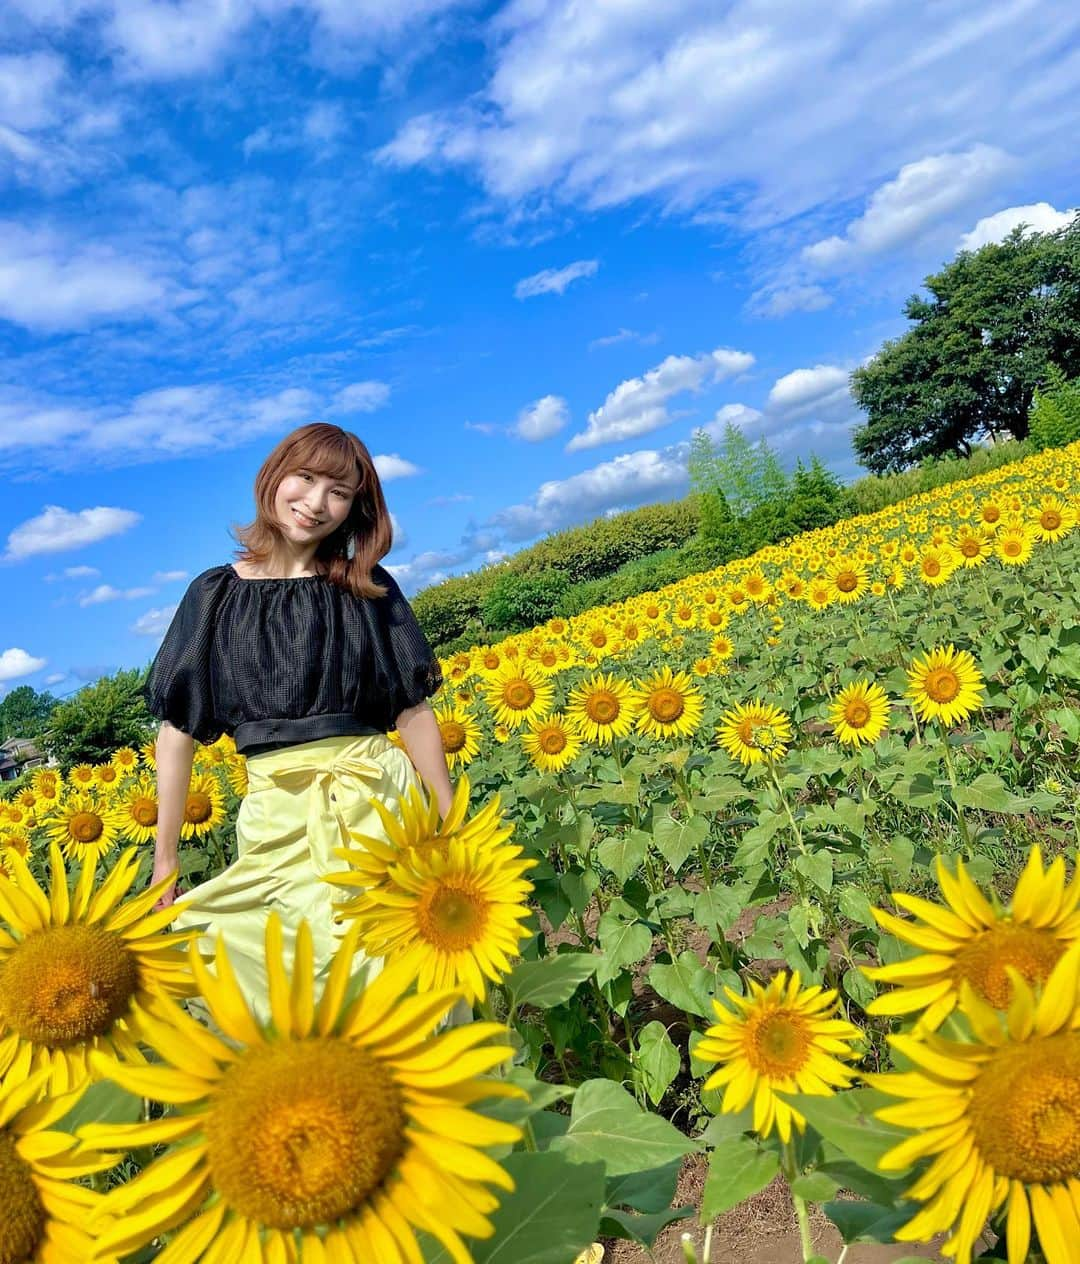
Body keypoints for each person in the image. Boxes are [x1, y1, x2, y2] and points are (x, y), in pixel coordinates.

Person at [144, 421, 451, 1022]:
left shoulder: (366, 587)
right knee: (244, 977)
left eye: (338, 492)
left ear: (355, 508)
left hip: (377, 801)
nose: (315, 503)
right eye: (305, 478)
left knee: (394, 980)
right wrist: (166, 860)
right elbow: (176, 734)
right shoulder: (215, 597)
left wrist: (447, 814)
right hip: (274, 815)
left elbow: (411, 711)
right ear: (274, 477)